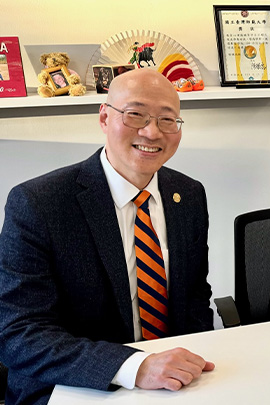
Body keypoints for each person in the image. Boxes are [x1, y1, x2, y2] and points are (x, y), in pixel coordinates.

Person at [0, 68, 214, 404]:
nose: (151, 131)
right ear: (104, 117)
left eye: (167, 120)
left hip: (171, 387)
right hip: (75, 386)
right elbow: (19, 333)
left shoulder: (188, 194)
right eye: (135, 114)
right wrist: (134, 367)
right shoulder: (38, 203)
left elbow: (195, 296)